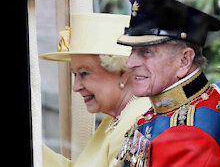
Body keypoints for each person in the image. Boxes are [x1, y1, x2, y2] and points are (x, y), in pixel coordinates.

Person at [116, 0, 220, 167]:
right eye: (132, 51)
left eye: (146, 52)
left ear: (184, 61)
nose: (129, 63)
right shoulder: (169, 113)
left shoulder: (188, 134)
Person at [39, 13, 151, 167]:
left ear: (123, 72)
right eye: (74, 74)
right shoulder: (117, 118)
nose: (76, 86)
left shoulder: (137, 121)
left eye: (84, 73)